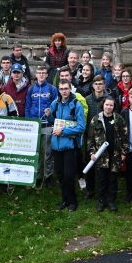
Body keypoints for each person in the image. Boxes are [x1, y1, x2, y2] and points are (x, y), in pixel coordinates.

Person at [49, 80, 86, 212]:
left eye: (66, 88)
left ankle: (73, 201)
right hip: (56, 146)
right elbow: (51, 121)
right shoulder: (55, 103)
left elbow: (81, 127)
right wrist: (48, 116)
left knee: (69, 175)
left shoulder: (76, 105)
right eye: (61, 89)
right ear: (58, 90)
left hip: (70, 146)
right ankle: (64, 199)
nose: (64, 91)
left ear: (70, 89)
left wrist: (63, 131)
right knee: (60, 174)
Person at [88, 96, 128, 212]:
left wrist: (124, 152)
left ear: (114, 106)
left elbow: (125, 136)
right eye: (107, 105)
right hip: (101, 156)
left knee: (112, 179)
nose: (109, 107)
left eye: (111, 105)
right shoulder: (96, 119)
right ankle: (101, 201)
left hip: (115, 154)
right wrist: (92, 152)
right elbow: (90, 138)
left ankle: (111, 200)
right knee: (101, 179)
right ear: (103, 105)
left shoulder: (119, 119)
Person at [25, 65, 59, 189]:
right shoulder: (31, 89)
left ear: (46, 75)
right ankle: (38, 176)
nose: (40, 75)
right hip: (34, 126)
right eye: (38, 72)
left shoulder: (52, 89)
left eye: (43, 73)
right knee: (36, 152)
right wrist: (30, 123)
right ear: (36, 75)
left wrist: (50, 115)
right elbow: (27, 107)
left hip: (47, 124)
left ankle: (48, 177)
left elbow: (56, 107)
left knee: (48, 152)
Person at [85, 75, 108, 198]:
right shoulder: (87, 99)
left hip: (105, 136)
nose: (98, 86)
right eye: (96, 84)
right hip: (90, 136)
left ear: (104, 85)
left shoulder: (109, 100)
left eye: (101, 84)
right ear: (93, 86)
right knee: (90, 162)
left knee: (103, 166)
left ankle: (102, 190)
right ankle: (90, 189)